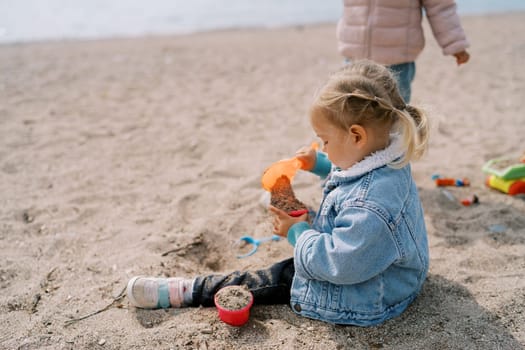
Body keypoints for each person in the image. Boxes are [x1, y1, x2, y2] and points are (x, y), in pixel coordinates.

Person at [127, 59, 430, 326]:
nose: (322, 146)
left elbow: (339, 264)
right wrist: (319, 163)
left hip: (369, 296)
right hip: (391, 273)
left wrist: (297, 233)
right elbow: (351, 171)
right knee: (306, 219)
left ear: (356, 136)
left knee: (276, 277)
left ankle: (189, 290)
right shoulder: (387, 156)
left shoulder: (370, 205)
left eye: (324, 141)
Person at [337, 0, 470, 102]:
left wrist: (455, 43)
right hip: (354, 58)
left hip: (397, 61)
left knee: (395, 118)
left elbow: (440, 7)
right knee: (350, 113)